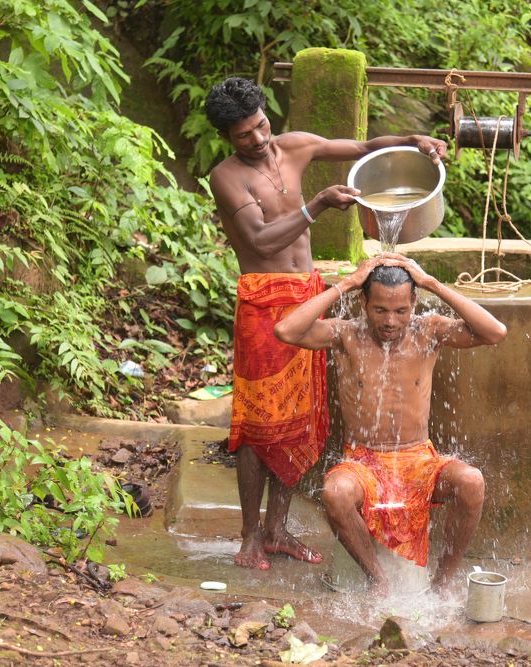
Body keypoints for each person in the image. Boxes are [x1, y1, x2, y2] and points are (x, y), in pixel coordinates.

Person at [204, 77, 447, 570]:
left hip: (307, 294)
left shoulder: (294, 146)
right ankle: (250, 537)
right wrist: (315, 205)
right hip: (263, 300)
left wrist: (412, 140)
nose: (258, 139)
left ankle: (278, 530)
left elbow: (363, 148)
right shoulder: (226, 177)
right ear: (227, 137)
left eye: (261, 125)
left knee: (302, 418)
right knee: (259, 423)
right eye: (244, 135)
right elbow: (262, 239)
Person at [273, 254, 507, 596]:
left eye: (401, 310)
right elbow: (285, 330)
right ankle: (378, 580)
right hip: (363, 463)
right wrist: (348, 283)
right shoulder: (346, 334)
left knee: (472, 482)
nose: (390, 321)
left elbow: (495, 332)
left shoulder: (428, 331)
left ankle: (442, 583)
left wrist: (432, 283)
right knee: (335, 493)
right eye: (380, 309)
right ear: (364, 303)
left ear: (414, 303)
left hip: (419, 461)